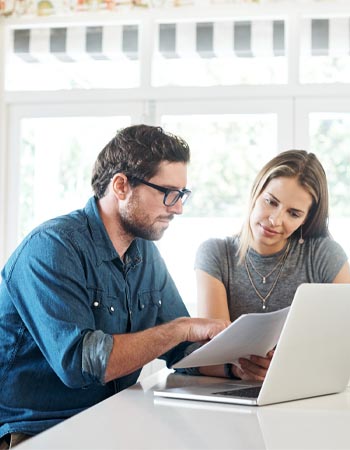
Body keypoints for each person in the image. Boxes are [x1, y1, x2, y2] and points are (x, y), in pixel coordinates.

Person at [0, 125, 229, 448]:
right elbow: (81, 365)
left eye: (182, 195)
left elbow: (182, 348)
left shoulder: (144, 252)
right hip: (38, 430)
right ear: (121, 185)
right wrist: (180, 329)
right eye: (168, 193)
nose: (177, 207)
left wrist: (239, 365)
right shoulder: (52, 247)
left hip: (110, 418)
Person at [195, 149, 350, 382]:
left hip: (303, 386)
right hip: (235, 389)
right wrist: (242, 370)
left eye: (294, 213)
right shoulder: (216, 254)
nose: (275, 220)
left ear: (306, 219)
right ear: (256, 192)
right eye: (271, 202)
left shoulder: (323, 255)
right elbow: (216, 351)